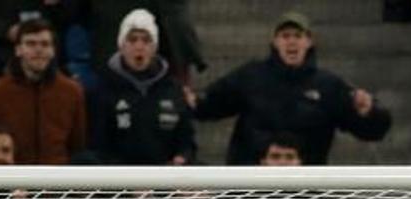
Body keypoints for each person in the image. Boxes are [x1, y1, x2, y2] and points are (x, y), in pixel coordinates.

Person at [192, 11, 391, 165]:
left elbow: (373, 131)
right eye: (285, 36)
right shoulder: (250, 76)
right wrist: (192, 101)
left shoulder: (329, 85)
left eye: (298, 35)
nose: (292, 42)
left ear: (309, 41)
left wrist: (370, 113)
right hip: (250, 190)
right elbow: (208, 105)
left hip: (306, 194)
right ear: (275, 41)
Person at [0, 18, 87, 165]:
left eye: (45, 44)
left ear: (53, 51)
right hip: (12, 181)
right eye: (31, 44)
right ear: (18, 49)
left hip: (57, 181)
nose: (38, 49)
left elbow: (77, 145)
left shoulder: (72, 92)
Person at [93, 9, 195, 165]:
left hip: (166, 180)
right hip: (120, 182)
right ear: (121, 46)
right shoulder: (105, 89)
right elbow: (99, 148)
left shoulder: (173, 89)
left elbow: (187, 141)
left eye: (146, 40)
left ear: (154, 48)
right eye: (132, 40)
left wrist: (182, 157)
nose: (139, 46)